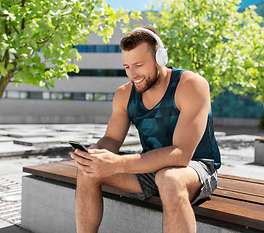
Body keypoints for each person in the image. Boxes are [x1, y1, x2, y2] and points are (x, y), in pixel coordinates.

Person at [71, 26, 221, 233]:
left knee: (169, 178)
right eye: (126, 67)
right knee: (87, 169)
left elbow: (181, 155)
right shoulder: (124, 94)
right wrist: (96, 152)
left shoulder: (190, 85)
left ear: (160, 57)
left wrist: (118, 162)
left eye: (139, 65)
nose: (133, 74)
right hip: (151, 166)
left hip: (196, 168)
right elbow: (112, 139)